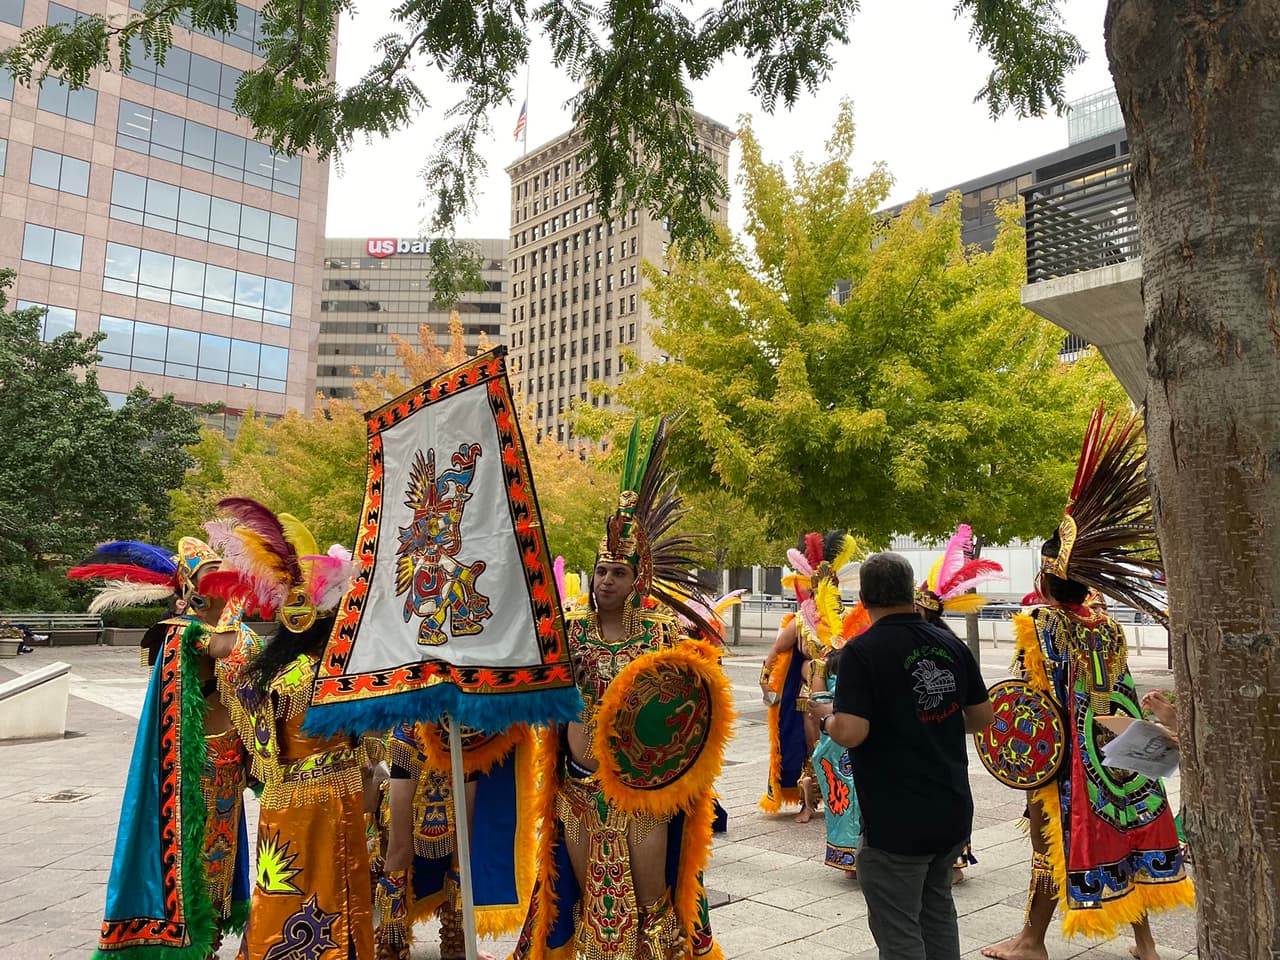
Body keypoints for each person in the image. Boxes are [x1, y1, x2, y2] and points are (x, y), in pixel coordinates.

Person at [978, 405, 1194, 960]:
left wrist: (1031, 765)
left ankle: (1031, 941)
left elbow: (1030, 701)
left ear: (1048, 577)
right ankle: (1143, 944)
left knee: (1050, 842)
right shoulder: (1107, 625)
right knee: (1125, 837)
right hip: (1121, 754)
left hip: (1072, 757)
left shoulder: (1041, 624)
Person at [512, 417, 732, 960]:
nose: (605, 580)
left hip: (643, 794)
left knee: (651, 902)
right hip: (580, 789)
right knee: (592, 904)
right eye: (600, 570)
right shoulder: (567, 633)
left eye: (617, 572)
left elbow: (688, 711)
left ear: (638, 580)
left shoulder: (662, 638)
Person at [204, 498, 373, 960]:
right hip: (303, 801)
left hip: (307, 801)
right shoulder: (299, 670)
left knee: (310, 891)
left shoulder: (304, 670)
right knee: (301, 889)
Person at [69, 537, 253, 959]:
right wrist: (239, 602)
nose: (226, 584)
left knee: (221, 869)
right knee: (197, 869)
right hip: (195, 767)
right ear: (190, 590)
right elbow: (225, 648)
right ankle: (194, 948)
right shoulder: (182, 631)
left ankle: (210, 946)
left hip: (230, 761)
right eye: (215, 578)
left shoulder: (222, 626)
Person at [809, 551, 993, 960]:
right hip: (951, 809)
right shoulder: (949, 643)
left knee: (899, 931)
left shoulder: (862, 651)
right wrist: (927, 719)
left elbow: (853, 732)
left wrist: (824, 720)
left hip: (896, 819)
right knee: (938, 911)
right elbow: (982, 717)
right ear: (910, 592)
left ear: (863, 598)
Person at [374, 719, 539, 960]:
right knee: (400, 849)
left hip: (466, 737)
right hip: (413, 737)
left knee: (463, 847)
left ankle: (457, 939)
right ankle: (391, 942)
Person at [913, 523, 1006, 885]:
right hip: (948, 740)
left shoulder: (928, 645)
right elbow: (978, 712)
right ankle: (953, 859)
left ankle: (945, 861)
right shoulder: (955, 646)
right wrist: (951, 722)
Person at [760, 530, 862, 822]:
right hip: (809, 693)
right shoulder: (801, 620)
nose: (828, 589)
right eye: (822, 584)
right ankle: (809, 802)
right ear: (814, 585)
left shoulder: (848, 618)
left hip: (841, 690)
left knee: (840, 744)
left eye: (832, 584)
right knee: (812, 745)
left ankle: (842, 795)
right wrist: (765, 680)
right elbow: (777, 650)